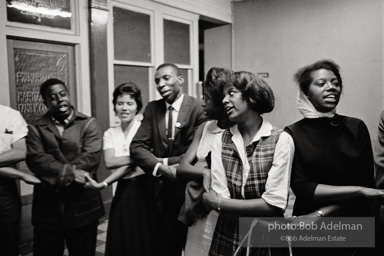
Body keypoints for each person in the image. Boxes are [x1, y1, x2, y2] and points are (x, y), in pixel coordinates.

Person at [285, 59, 384, 256]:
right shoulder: (292, 133)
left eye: (336, 83)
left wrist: (322, 213)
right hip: (310, 227)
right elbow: (303, 188)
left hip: (353, 223)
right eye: (321, 83)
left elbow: (365, 182)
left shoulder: (356, 127)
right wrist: (360, 191)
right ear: (306, 93)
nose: (331, 88)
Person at [202, 71, 294, 256]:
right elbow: (223, 197)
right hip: (228, 234)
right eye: (223, 96)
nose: (225, 101)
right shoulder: (221, 139)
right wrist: (223, 202)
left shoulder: (281, 139)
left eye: (231, 93)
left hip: (268, 239)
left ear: (252, 96)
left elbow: (274, 203)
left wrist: (217, 202)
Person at [130, 63, 206, 256]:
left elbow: (195, 154)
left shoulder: (198, 107)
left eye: (166, 78)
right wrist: (161, 168)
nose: (161, 84)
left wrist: (162, 161)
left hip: (189, 191)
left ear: (180, 80)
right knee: (165, 244)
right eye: (157, 81)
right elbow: (137, 146)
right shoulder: (152, 108)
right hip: (160, 191)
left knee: (192, 246)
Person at [25, 78, 105, 256]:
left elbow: (90, 157)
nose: (60, 99)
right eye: (53, 97)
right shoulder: (34, 129)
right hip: (48, 209)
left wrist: (58, 173)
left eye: (63, 94)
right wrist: (71, 173)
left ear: (68, 95)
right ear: (45, 102)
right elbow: (37, 160)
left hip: (83, 204)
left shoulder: (89, 123)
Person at [84, 82, 155, 256]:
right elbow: (109, 162)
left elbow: (126, 163)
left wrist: (104, 183)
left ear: (137, 106)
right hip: (123, 188)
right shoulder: (110, 133)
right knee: (121, 235)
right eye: (120, 103)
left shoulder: (144, 129)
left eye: (129, 104)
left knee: (144, 236)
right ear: (114, 106)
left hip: (146, 188)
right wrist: (139, 156)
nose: (124, 108)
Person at [177, 67, 232, 256]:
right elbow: (183, 167)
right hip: (198, 214)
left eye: (207, 99)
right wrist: (204, 172)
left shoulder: (236, 132)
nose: (203, 104)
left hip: (223, 212)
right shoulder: (204, 127)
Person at [0, 104, 40, 256]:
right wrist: (21, 175)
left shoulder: (10, 115)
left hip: (4, 190)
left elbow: (21, 151)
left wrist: (19, 175)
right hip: (9, 174)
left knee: (8, 243)